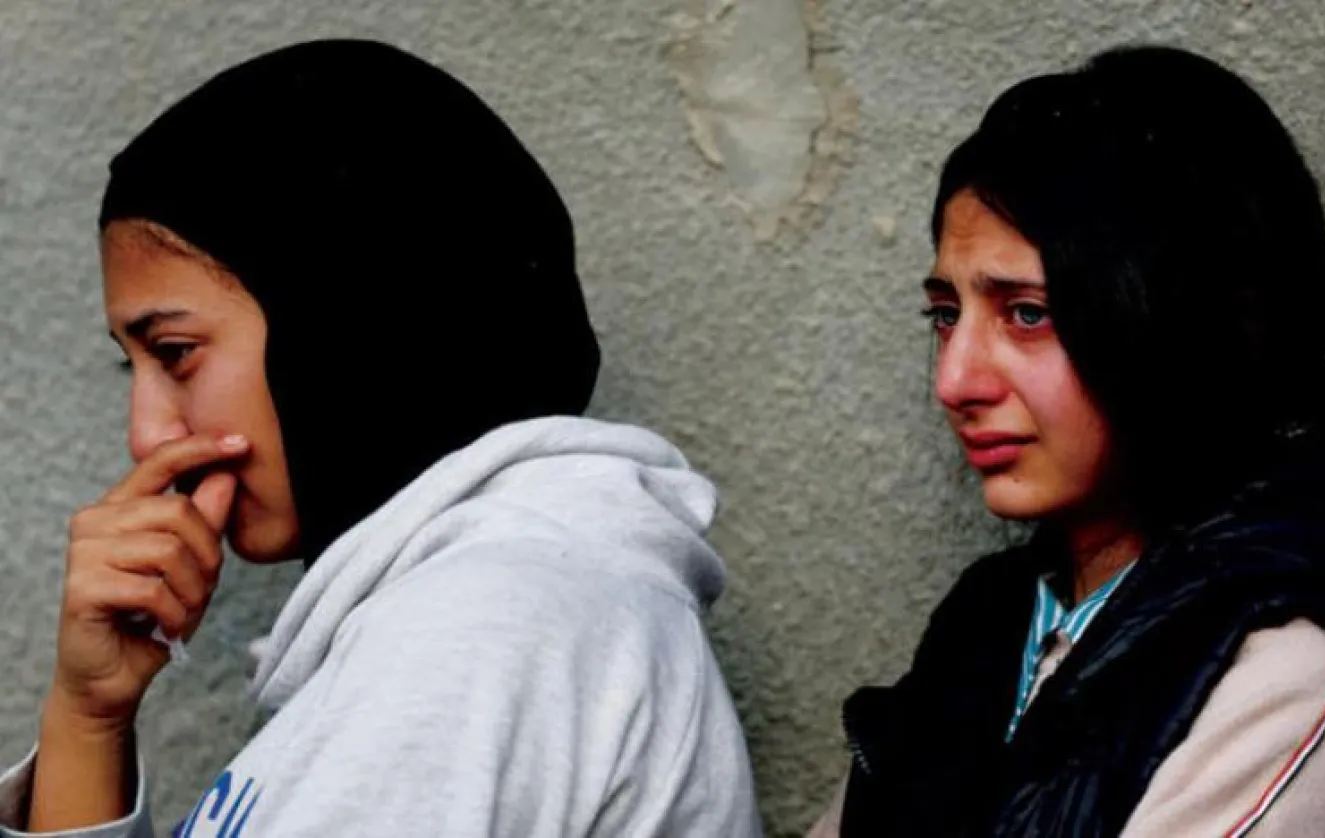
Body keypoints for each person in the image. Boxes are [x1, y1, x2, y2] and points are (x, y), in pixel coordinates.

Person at [0, 39, 761, 838]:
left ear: (349, 320)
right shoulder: (454, 619)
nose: (147, 435)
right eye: (135, 369)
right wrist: (89, 719)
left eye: (176, 354)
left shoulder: (481, 629)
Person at [809, 45, 1325, 837]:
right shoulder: (991, 623)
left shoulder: (1287, 653)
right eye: (947, 314)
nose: (955, 380)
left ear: (1175, 322)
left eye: (1027, 314)